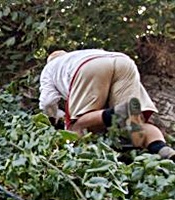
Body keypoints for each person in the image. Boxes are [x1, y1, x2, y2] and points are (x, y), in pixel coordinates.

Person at [39, 49, 175, 160]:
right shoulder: (80, 54)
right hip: (123, 62)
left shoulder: (50, 68)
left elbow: (47, 102)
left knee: (77, 127)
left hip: (89, 68)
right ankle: (161, 148)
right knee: (133, 126)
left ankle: (118, 113)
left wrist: (54, 118)